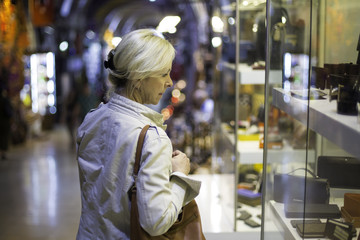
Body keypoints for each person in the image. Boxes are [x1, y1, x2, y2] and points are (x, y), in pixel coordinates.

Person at [76, 29, 201, 239]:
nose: (169, 82)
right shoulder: (152, 138)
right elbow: (156, 222)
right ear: (138, 77)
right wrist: (179, 176)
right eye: (163, 74)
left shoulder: (91, 119)